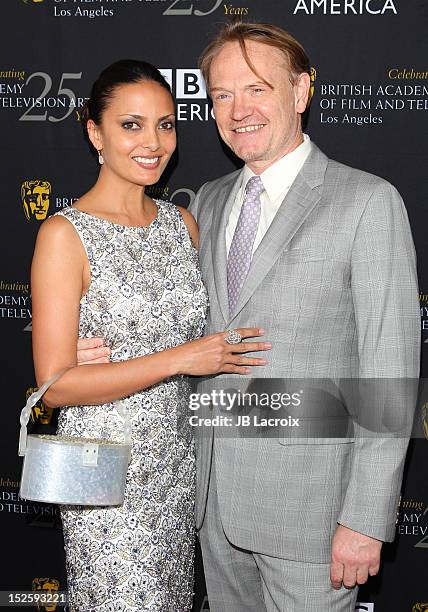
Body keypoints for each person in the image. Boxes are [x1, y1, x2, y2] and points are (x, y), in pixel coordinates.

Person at [77, 23, 420, 612]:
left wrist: (365, 518)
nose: (239, 110)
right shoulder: (205, 202)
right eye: (222, 96)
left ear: (301, 91)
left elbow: (389, 371)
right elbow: (180, 327)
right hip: (210, 509)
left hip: (314, 517)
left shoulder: (366, 202)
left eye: (258, 89)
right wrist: (93, 355)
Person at [31, 59, 270, 612]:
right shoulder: (65, 235)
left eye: (166, 124)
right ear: (95, 131)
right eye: (131, 125)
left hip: (177, 464)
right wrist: (180, 358)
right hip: (100, 470)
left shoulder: (181, 223)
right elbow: (56, 386)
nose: (153, 142)